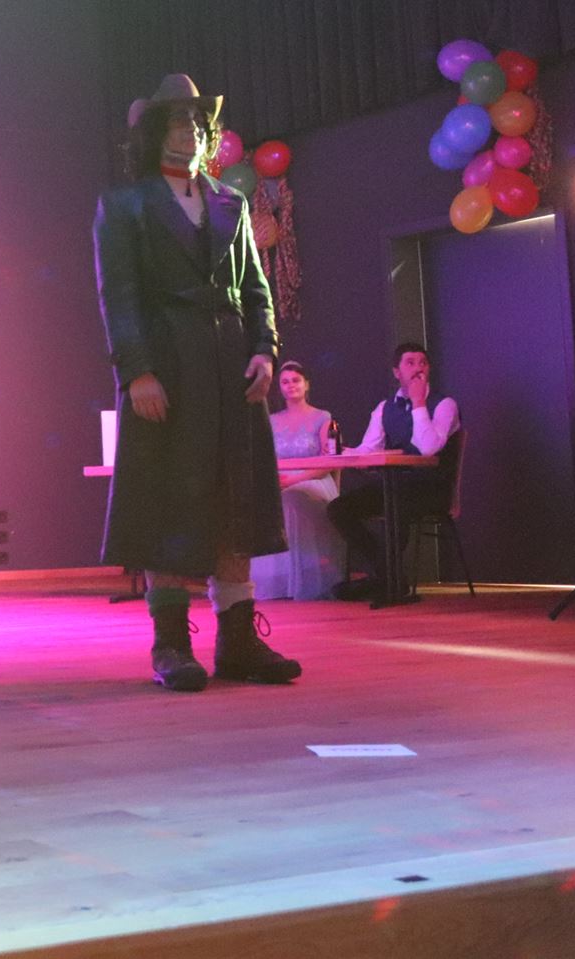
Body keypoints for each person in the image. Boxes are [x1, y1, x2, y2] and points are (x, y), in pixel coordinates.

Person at [92, 73, 303, 691]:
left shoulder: (231, 202)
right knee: (168, 502)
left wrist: (265, 352)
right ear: (156, 131)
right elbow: (118, 297)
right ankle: (171, 644)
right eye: (178, 120)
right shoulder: (125, 205)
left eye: (197, 122)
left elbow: (257, 291)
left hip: (231, 370)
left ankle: (237, 642)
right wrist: (137, 372)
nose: (190, 131)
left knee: (235, 502)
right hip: (167, 367)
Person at [327, 342, 461, 601]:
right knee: (339, 509)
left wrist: (419, 402)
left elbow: (428, 448)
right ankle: (389, 575)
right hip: (395, 485)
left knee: (396, 504)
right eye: (410, 363)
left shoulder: (444, 405)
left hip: (431, 488)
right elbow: (369, 449)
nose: (418, 369)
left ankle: (386, 580)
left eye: (423, 363)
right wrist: (342, 452)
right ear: (397, 372)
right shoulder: (384, 407)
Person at [249, 360, 347, 601]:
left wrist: (295, 480)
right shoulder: (271, 420)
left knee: (293, 498)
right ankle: (277, 581)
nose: (291, 385)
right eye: (285, 382)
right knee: (262, 499)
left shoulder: (322, 417)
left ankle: (307, 580)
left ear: (306, 384)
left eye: (296, 380)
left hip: (313, 478)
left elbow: (329, 460)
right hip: (279, 479)